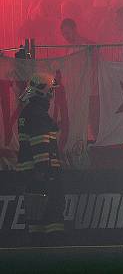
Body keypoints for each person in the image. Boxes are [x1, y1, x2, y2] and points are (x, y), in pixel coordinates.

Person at [16, 73, 65, 243]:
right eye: (51, 90)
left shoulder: (27, 112)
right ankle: (55, 253)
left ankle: (36, 254)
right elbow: (41, 145)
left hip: (31, 174)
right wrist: (43, 172)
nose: (52, 94)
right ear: (45, 92)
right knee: (53, 216)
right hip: (44, 174)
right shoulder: (39, 115)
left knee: (35, 217)